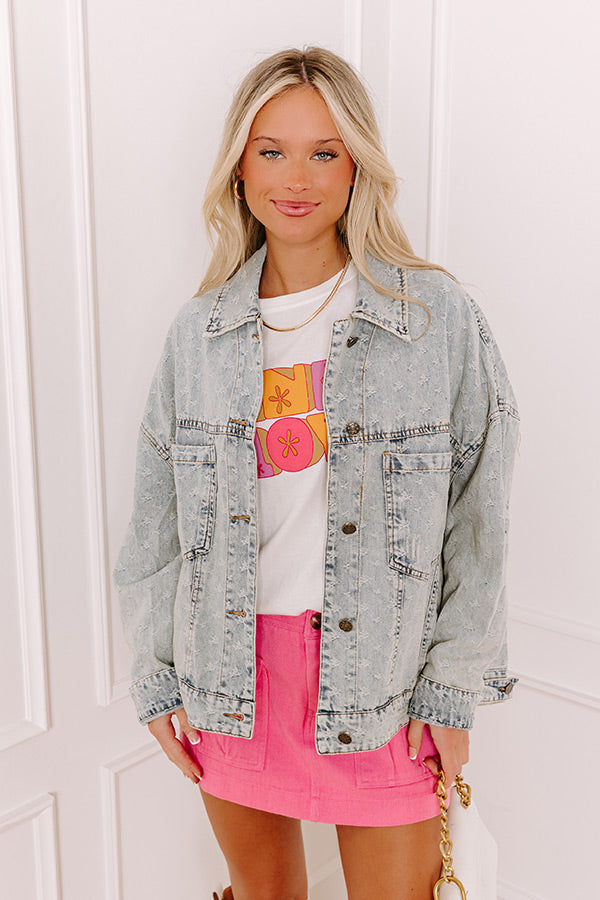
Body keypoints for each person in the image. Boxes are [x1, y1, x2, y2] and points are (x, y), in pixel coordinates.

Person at [113, 46, 520, 900]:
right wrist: (155, 679)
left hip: (381, 678)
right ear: (240, 169)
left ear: (356, 167)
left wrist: (450, 693)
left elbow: (479, 516)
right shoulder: (198, 334)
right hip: (230, 676)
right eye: (272, 151)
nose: (295, 178)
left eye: (324, 152)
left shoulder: (432, 318)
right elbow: (156, 526)